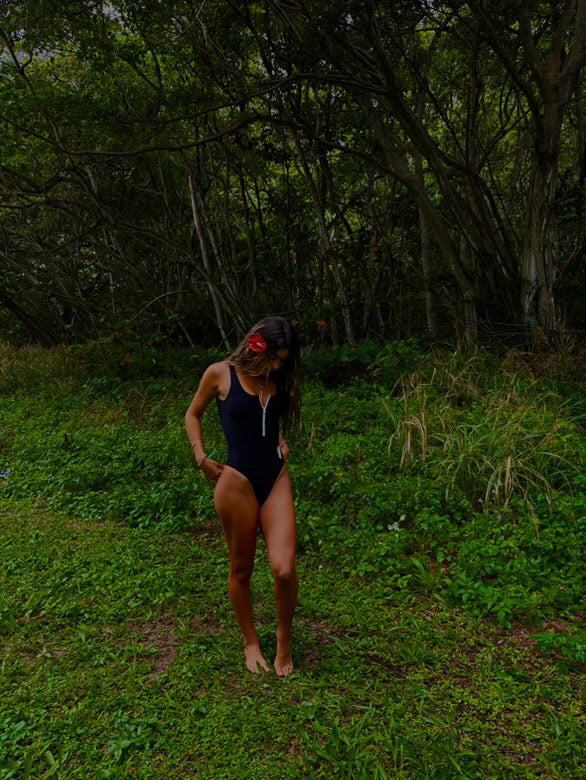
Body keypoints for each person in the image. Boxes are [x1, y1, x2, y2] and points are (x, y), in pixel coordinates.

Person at [185, 316, 301, 676]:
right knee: (241, 569)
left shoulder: (276, 378)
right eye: (274, 358)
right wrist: (200, 456)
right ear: (256, 346)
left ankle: (283, 642)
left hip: (275, 477)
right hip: (236, 483)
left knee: (284, 569)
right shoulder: (221, 374)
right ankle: (250, 642)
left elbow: (267, 420)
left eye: (283, 360)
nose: (277, 366)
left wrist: (280, 439)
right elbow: (192, 414)